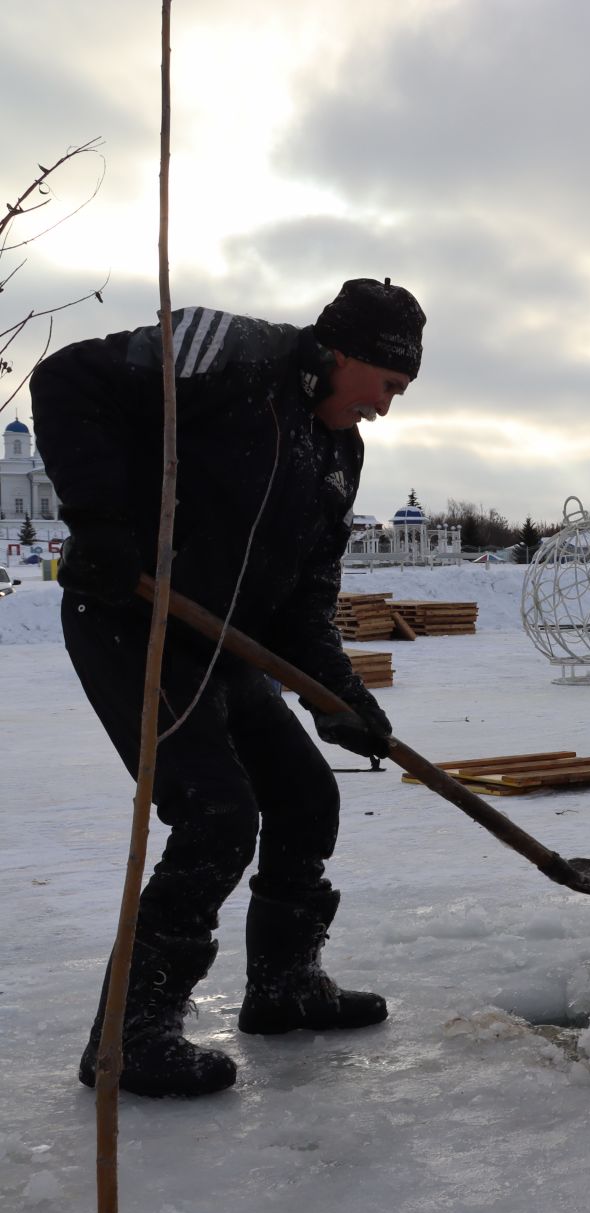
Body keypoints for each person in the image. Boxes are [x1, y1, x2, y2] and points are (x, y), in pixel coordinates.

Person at [31, 278, 425, 1097]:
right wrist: (100, 520)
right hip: (134, 622)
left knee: (306, 795)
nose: (388, 408)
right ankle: (130, 1034)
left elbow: (306, 599)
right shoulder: (232, 355)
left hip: (224, 641)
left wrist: (339, 697)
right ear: (346, 353)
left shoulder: (339, 455)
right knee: (216, 812)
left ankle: (283, 987)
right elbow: (68, 378)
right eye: (388, 385)